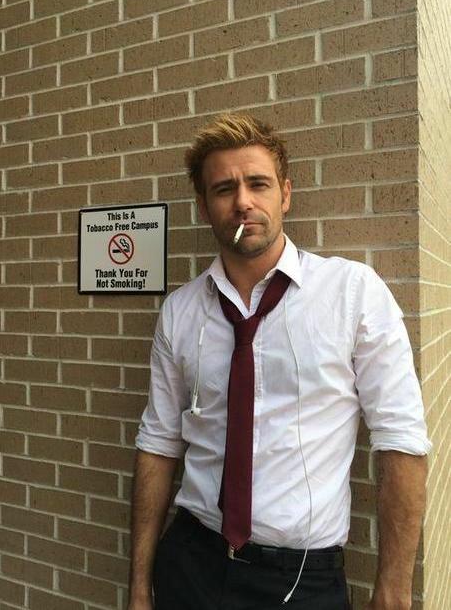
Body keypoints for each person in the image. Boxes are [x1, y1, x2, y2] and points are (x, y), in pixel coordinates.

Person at [128, 113, 430, 610]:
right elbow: (159, 443)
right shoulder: (181, 311)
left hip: (300, 580)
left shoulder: (351, 293)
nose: (242, 201)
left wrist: (394, 590)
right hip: (191, 562)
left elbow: (401, 438)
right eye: (224, 189)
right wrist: (140, 586)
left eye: (258, 183)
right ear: (204, 207)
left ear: (285, 194)